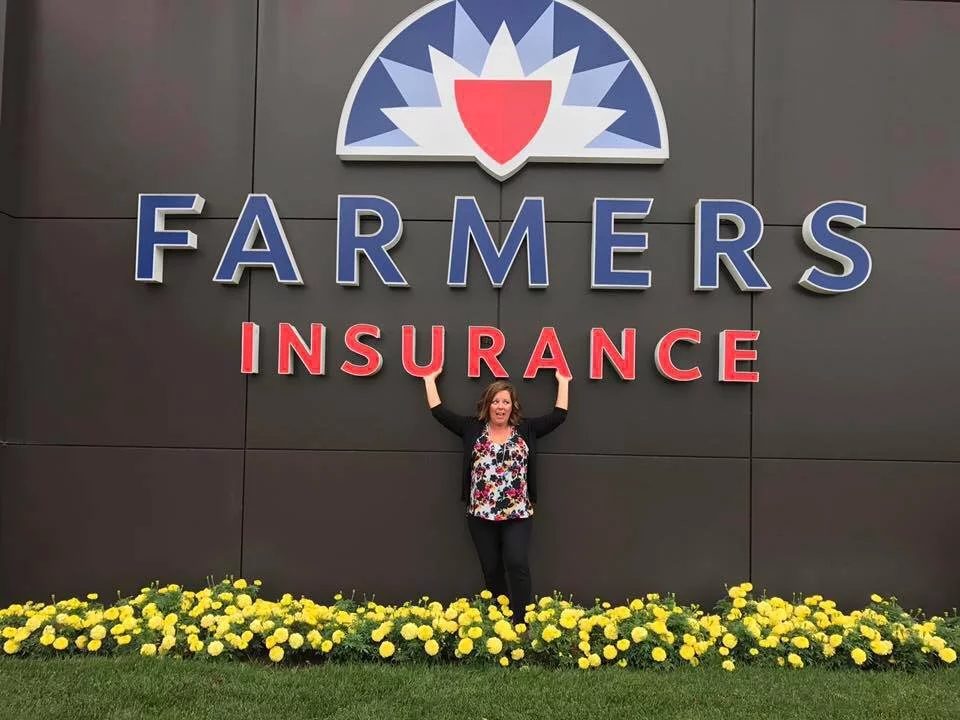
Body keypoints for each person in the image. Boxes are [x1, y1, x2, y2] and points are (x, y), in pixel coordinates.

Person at [422, 367, 570, 615]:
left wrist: (563, 382)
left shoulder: (525, 430)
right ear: (487, 405)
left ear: (513, 406)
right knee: (491, 570)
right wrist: (429, 380)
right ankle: (501, 619)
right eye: (496, 401)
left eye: (506, 402)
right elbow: (440, 413)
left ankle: (521, 621)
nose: (501, 406)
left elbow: (558, 416)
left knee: (516, 563)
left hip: (517, 515)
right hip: (480, 516)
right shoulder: (472, 429)